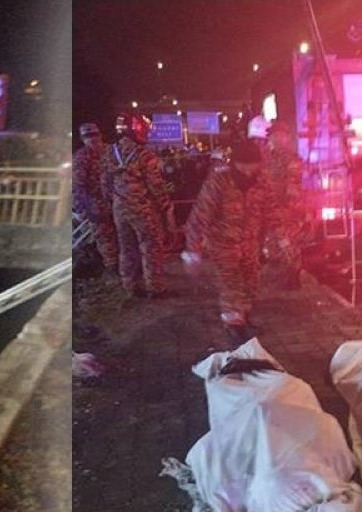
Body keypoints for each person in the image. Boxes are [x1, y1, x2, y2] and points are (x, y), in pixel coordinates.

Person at [182, 138, 278, 343]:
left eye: (254, 164)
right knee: (231, 284)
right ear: (235, 162)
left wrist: (280, 239)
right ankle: (234, 328)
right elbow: (200, 216)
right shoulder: (219, 181)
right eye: (245, 164)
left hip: (249, 243)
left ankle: (243, 318)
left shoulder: (262, 181)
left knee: (250, 284)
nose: (250, 170)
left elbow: (271, 212)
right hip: (223, 243)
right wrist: (193, 251)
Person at [101, 112, 172, 297]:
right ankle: (155, 288)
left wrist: (113, 202)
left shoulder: (109, 152)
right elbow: (155, 186)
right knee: (150, 248)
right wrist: (165, 207)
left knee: (126, 248)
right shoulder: (144, 155)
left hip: (119, 210)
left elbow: (105, 183)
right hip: (143, 210)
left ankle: (130, 286)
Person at [262, 120, 306, 288]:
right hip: (271, 208)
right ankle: (278, 277)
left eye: (277, 135)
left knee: (288, 242)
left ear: (284, 137)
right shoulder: (267, 158)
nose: (273, 139)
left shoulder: (292, 159)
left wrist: (286, 204)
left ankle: (292, 277)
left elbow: (293, 186)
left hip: (286, 209)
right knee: (273, 244)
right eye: (272, 135)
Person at [73, 122, 118, 277]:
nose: (92, 139)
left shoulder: (82, 156)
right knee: (121, 236)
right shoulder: (112, 151)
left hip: (97, 206)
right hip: (118, 203)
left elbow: (78, 185)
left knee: (105, 239)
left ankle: (113, 270)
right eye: (90, 136)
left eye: (92, 136)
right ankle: (128, 270)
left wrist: (80, 209)